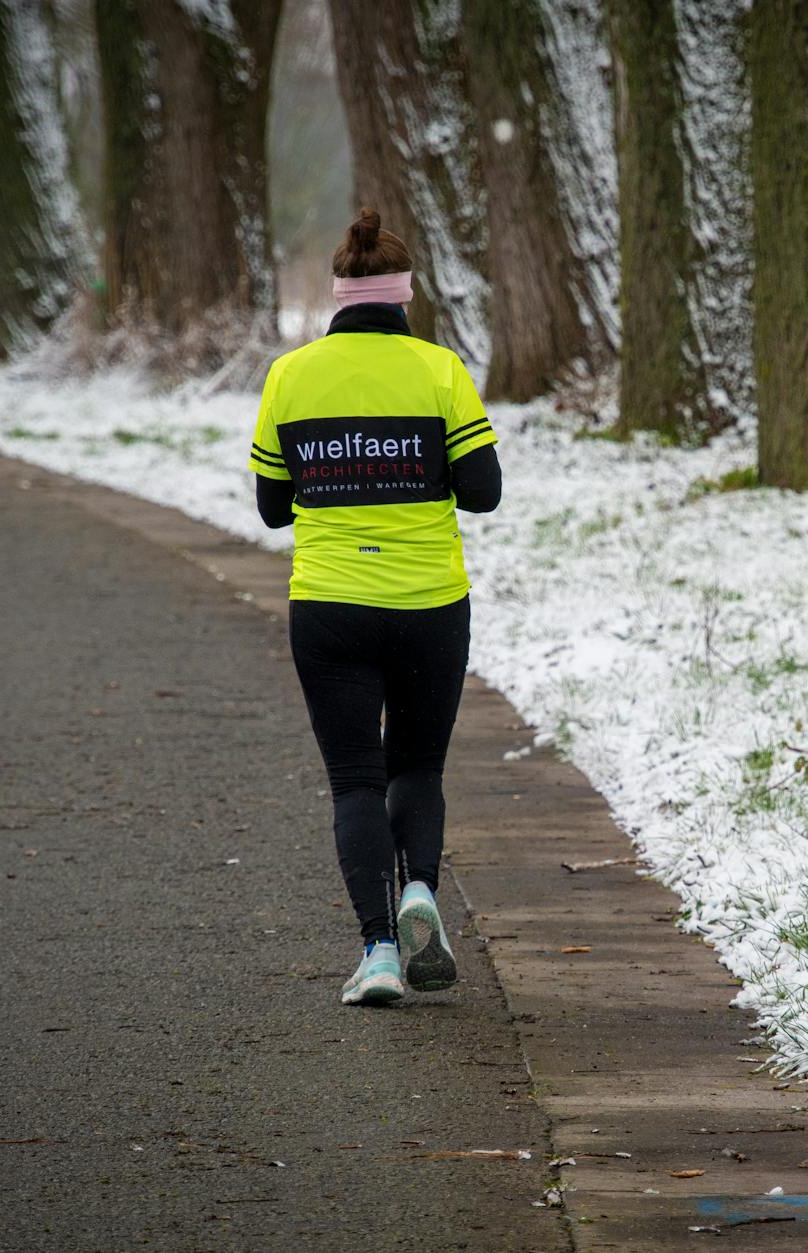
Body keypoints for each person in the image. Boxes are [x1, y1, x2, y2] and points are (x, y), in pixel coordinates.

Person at [250, 207, 502, 1006]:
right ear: (404, 297)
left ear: (338, 295)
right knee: (417, 766)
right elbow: (484, 492)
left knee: (356, 781)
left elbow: (270, 506)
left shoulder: (290, 377)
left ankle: (379, 950)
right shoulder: (440, 371)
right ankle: (421, 887)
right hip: (429, 602)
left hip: (328, 606)